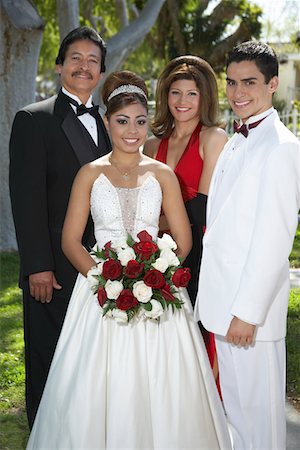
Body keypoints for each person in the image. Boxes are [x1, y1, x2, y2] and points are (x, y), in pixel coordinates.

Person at [26, 70, 231, 449]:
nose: (132, 130)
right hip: (99, 293)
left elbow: (183, 240)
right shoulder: (89, 174)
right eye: (122, 121)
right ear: (107, 123)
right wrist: (105, 279)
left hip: (158, 292)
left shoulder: (163, 174)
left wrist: (156, 273)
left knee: (165, 384)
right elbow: (72, 241)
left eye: (139, 121)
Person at [195, 41, 300, 449]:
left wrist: (247, 313)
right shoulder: (237, 138)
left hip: (248, 316)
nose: (238, 93)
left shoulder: (283, 148)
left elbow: (274, 241)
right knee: (236, 418)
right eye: (232, 83)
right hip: (224, 305)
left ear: (273, 84)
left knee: (260, 425)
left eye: (250, 83)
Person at [9, 26, 111, 428]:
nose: (84, 67)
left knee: (89, 365)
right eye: (76, 58)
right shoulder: (33, 120)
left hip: (101, 268)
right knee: (49, 364)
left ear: (101, 72)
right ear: (59, 66)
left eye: (93, 61)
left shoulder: (112, 124)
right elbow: (26, 197)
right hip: (52, 270)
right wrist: (37, 264)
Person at [144, 55, 227, 373]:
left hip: (198, 252)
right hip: (155, 253)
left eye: (192, 93)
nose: (183, 101)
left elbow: (202, 207)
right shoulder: (152, 146)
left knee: (195, 334)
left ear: (205, 97)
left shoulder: (213, 138)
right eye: (175, 92)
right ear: (165, 95)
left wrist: (159, 223)